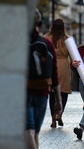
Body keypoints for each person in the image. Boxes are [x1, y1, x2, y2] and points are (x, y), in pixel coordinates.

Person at [25, 9, 62, 149]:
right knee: (34, 134)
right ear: (39, 24)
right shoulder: (47, 44)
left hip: (24, 93)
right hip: (42, 92)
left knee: (28, 131)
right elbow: (54, 73)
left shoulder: (17, 44)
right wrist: (58, 100)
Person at [43, 18, 72, 128]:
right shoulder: (67, 39)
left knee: (52, 94)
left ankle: (53, 119)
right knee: (63, 93)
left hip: (51, 67)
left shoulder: (46, 38)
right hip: (64, 66)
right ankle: (59, 114)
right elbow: (74, 56)